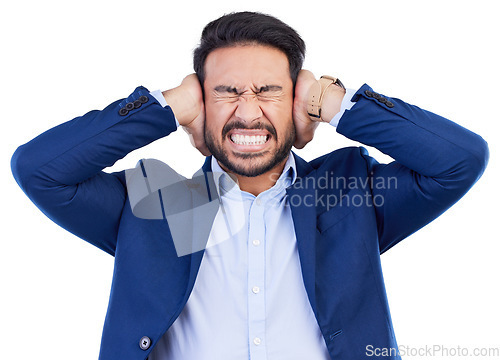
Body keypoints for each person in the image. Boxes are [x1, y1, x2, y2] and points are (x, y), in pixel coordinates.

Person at [10, 11, 488, 360]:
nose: (247, 110)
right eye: (226, 91)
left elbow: (460, 160)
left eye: (268, 90)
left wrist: (335, 102)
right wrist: (164, 108)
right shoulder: (160, 206)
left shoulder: (348, 196)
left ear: (296, 99)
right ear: (203, 101)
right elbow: (39, 169)